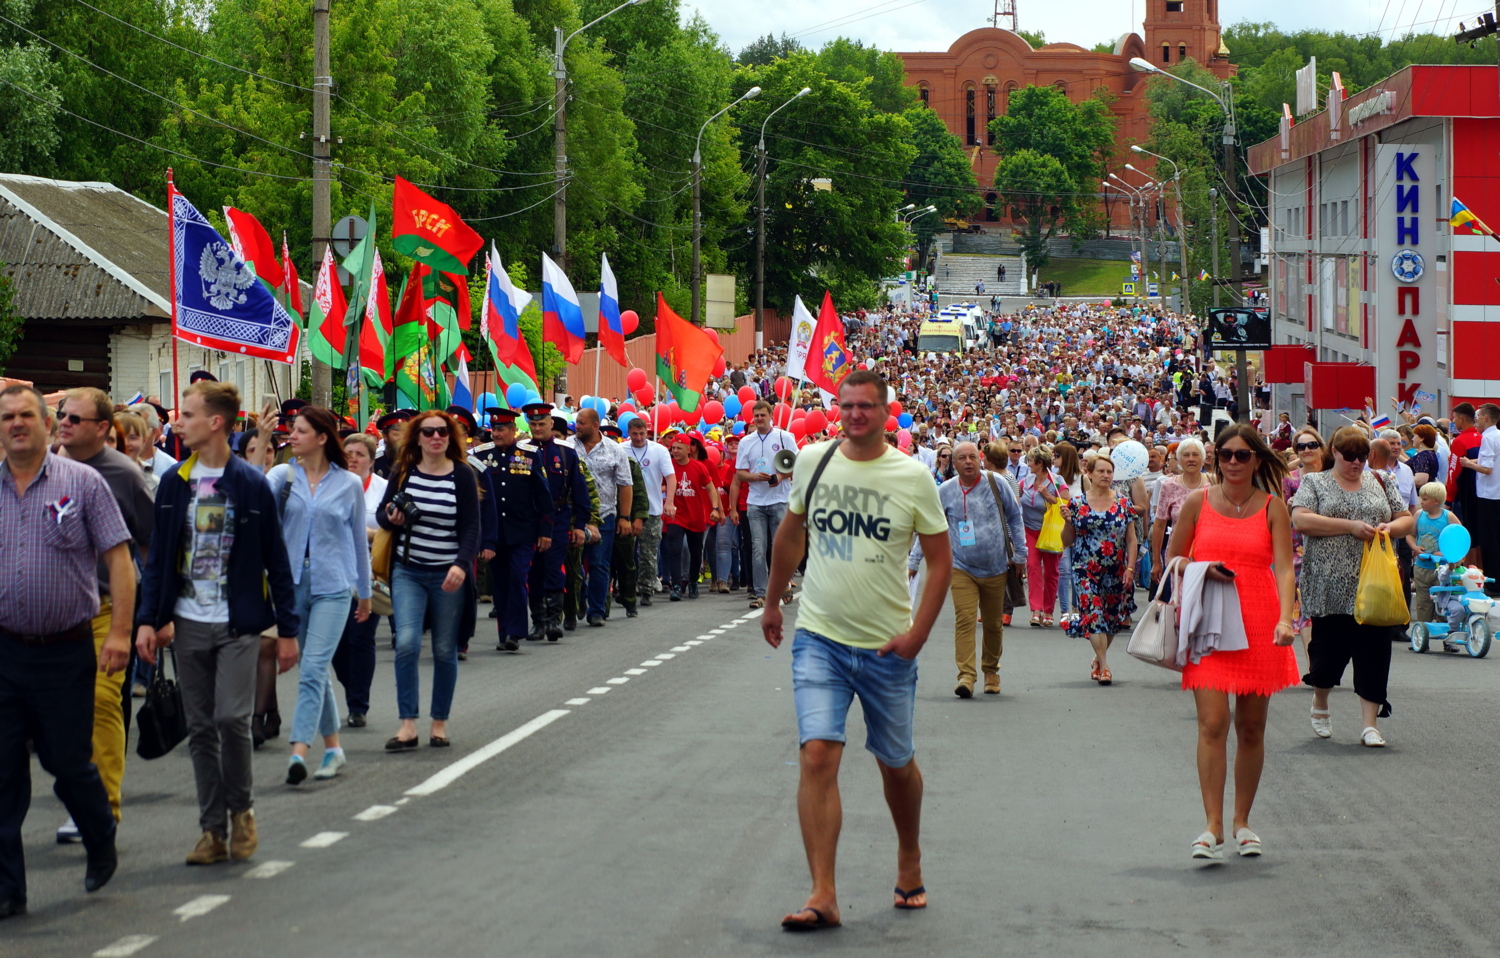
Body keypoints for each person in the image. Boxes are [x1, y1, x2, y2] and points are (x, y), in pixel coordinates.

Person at [761, 369, 951, 931]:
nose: (855, 415)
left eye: (866, 406)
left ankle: (909, 854)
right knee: (817, 754)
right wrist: (772, 602)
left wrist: (917, 635)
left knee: (895, 764)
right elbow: (791, 534)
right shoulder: (813, 460)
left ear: (886, 412)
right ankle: (822, 891)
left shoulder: (912, 476)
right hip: (819, 636)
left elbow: (940, 561)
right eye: (846, 406)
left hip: (887, 646)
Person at [136, 379, 299, 865]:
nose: (178, 424)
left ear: (215, 423)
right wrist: (149, 620)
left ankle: (242, 811)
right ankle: (212, 830)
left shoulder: (249, 483)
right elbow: (158, 558)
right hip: (187, 622)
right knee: (202, 727)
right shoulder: (175, 482)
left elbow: (276, 560)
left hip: (237, 623)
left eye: (187, 415)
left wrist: (288, 631)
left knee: (231, 719)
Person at [0, 384, 134, 916]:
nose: (16, 424)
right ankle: (8, 889)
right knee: (3, 772)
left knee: (66, 761)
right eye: (7, 417)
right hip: (5, 650)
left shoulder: (83, 483)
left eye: (26, 415)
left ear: (47, 424)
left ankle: (100, 835)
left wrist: (120, 633)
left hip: (65, 649)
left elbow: (119, 562)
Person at [1164, 423, 1298, 860]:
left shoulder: (1273, 507)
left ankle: (1242, 822)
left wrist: (1286, 620)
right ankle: (1212, 826)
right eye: (1225, 455)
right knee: (1213, 723)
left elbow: (1284, 569)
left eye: (1242, 455)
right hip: (1208, 622)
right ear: (1216, 458)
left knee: (1252, 728)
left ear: (1257, 459)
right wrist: (1202, 567)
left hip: (1259, 622)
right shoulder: (1198, 502)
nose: (1233, 462)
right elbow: (1173, 558)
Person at [53, 388, 154, 844]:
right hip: (49, 616)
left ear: (101, 428)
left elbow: (150, 544)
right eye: (62, 415)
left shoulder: (123, 474)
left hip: (105, 609)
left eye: (75, 418)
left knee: (100, 701)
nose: (64, 422)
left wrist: (155, 614)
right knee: (58, 715)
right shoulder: (42, 469)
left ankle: (102, 807)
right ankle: (79, 794)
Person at [1290, 426, 1414, 747]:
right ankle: (1320, 699)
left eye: (1362, 456)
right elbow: (1301, 520)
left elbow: (1406, 519)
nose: (1356, 463)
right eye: (1349, 456)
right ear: (1334, 452)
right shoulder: (1315, 482)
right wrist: (1349, 526)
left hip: (1375, 584)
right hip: (1329, 586)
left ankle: (1370, 724)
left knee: (1374, 653)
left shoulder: (1381, 480)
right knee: (1328, 657)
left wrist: (1389, 528)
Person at [266, 406, 370, 784]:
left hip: (334, 586)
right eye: (291, 430)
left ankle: (298, 751)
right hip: (291, 585)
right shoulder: (282, 475)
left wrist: (365, 592)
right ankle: (334, 749)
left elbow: (358, 541)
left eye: (300, 430)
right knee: (316, 669)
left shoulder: (349, 483)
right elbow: (252, 497)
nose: (292, 436)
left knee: (311, 667)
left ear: (322, 438)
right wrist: (260, 440)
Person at [377, 409, 490, 750]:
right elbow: (382, 514)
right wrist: (392, 516)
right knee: (407, 642)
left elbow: (472, 527)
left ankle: (439, 722)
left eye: (442, 431)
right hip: (407, 570)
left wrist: (461, 564)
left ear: (450, 437)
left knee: (443, 648)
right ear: (417, 438)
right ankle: (408, 724)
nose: (436, 437)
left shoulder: (462, 474)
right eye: (428, 432)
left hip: (448, 574)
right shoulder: (404, 472)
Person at [911, 440, 1025, 697]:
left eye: (972, 456)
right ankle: (966, 675)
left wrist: (1021, 554)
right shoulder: (946, 490)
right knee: (964, 620)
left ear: (980, 459)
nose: (968, 462)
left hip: (996, 567)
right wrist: (914, 561)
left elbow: (1015, 517)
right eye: (961, 458)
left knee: (993, 624)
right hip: (961, 566)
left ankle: (991, 671)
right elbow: (929, 527)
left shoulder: (996, 483)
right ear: (954, 463)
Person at [478, 408, 552, 651]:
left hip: (523, 530)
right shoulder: (480, 455)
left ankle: (515, 631)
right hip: (494, 533)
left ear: (512, 430)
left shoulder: (529, 455)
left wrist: (545, 530)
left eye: (501, 429)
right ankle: (504, 633)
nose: (496, 433)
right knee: (501, 583)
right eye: (494, 429)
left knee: (518, 577)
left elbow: (543, 496)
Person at [1061, 454, 1138, 685]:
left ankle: (1097, 658)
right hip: (1085, 569)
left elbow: (1132, 539)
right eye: (1101, 471)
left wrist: (1130, 568)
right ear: (1090, 474)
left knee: (1112, 619)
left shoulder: (1123, 503)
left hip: (1116, 570)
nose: (1106, 475)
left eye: (1109, 472)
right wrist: (1067, 521)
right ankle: (1105, 667)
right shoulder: (1077, 503)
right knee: (1094, 615)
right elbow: (1067, 541)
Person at [523, 402, 591, 640]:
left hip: (558, 517)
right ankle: (538, 622)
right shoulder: (522, 452)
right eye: (533, 424)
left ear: (551, 424)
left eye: (542, 424)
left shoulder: (565, 452)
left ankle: (553, 621)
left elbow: (580, 492)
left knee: (554, 568)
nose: (537, 428)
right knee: (533, 571)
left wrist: (580, 526)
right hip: (529, 519)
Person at [334, 432, 385, 725]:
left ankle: (358, 706)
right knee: (338, 643)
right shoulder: (330, 486)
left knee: (360, 636)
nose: (353, 459)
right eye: (348, 453)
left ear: (371, 460)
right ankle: (352, 688)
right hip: (335, 573)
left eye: (360, 454)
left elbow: (392, 530)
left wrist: (367, 533)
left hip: (370, 574)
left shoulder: (383, 489)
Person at [574, 409, 633, 627]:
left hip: (605, 515)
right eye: (577, 422)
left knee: (599, 564)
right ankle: (580, 596)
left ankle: (597, 611)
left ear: (595, 425)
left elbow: (626, 485)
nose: (577, 426)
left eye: (581, 423)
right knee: (574, 563)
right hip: (575, 517)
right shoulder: (569, 446)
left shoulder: (614, 450)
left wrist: (625, 517)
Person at [736, 401, 797, 609]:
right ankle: (761, 593)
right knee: (758, 549)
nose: (759, 418)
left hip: (779, 500)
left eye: (763, 415)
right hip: (755, 503)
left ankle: (784, 582)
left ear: (771, 415)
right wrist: (755, 476)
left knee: (779, 547)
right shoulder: (746, 441)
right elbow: (740, 473)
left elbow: (796, 464)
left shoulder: (784, 437)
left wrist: (780, 476)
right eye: (756, 416)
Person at [662, 433, 721, 601]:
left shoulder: (698, 467)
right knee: (675, 549)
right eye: (673, 448)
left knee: (696, 552)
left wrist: (715, 509)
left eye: (679, 448)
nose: (675, 451)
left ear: (688, 449)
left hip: (695, 516)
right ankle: (676, 585)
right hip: (676, 515)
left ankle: (693, 581)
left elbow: (711, 488)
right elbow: (661, 484)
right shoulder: (668, 466)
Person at [625, 416, 674, 605]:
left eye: (642, 434)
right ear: (629, 433)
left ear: (647, 432)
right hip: (628, 510)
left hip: (652, 510)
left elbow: (670, 477)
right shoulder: (621, 449)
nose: (638, 438)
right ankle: (628, 588)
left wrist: (669, 502)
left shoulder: (659, 450)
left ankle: (646, 589)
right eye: (634, 434)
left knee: (648, 553)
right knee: (626, 553)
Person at [1151, 437, 1209, 582]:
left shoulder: (1214, 483)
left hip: (1208, 553)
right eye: (1186, 455)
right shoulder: (1168, 486)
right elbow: (1159, 525)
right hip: (1179, 555)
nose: (1191, 459)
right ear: (1179, 460)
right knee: (1181, 595)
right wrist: (1156, 561)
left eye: (1195, 454)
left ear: (1202, 458)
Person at [1019, 446, 1064, 627]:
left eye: (1030, 461)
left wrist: (1047, 496)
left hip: (1050, 532)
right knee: (1032, 567)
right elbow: (1016, 500)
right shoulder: (1026, 481)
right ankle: (1036, 610)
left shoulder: (1057, 481)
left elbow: (1065, 503)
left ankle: (1048, 611)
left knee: (1051, 572)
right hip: (1030, 531)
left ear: (1039, 463)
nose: (1028, 464)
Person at [1457, 403, 1500, 590]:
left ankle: (1494, 584)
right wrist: (1473, 461)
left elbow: (1487, 468)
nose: (1475, 421)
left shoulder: (1488, 438)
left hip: (1488, 495)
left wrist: (1469, 464)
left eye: (1477, 417)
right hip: (1496, 494)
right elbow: (1489, 461)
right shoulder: (1497, 435)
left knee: (1489, 541)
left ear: (1486, 418)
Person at [1408, 481, 1461, 628]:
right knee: (1423, 603)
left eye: (1425, 499)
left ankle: (1444, 633)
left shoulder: (1448, 517)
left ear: (1436, 501)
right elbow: (1410, 535)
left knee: (1443, 602)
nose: (1421, 502)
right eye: (1421, 498)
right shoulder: (1419, 515)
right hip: (1421, 567)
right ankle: (1422, 632)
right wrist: (1415, 547)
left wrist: (1446, 552)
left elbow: (1460, 538)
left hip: (1442, 570)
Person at [371, 410, 411, 479]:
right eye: (396, 434)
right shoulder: (376, 462)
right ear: (385, 436)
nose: (401, 438)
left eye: (404, 434)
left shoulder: (416, 459)